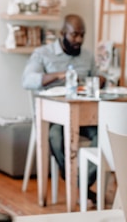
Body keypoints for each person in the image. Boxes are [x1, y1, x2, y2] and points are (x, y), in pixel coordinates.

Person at [22, 13, 105, 205]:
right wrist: (59, 75)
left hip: (83, 114)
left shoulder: (87, 55)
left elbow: (97, 77)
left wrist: (100, 80)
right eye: (74, 35)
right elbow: (27, 80)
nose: (79, 40)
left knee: (104, 135)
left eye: (82, 35)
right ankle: (78, 183)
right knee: (56, 137)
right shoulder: (43, 53)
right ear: (62, 33)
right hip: (54, 117)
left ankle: (81, 181)